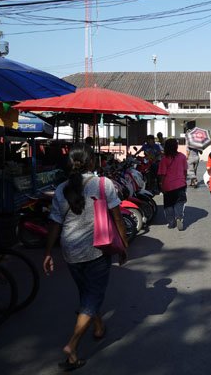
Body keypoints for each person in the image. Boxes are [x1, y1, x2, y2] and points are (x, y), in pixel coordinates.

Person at [43, 143, 128, 371]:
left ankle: (98, 327)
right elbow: (118, 218)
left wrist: (48, 252)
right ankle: (72, 346)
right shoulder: (103, 184)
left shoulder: (61, 189)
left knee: (86, 292)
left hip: (70, 251)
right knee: (92, 297)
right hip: (97, 249)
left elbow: (54, 222)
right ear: (91, 161)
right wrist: (123, 245)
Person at [158, 138, 188, 231]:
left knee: (168, 205)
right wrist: (184, 180)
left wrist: (161, 184)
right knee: (179, 202)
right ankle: (179, 217)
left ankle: (171, 223)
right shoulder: (182, 156)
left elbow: (162, 174)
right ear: (176, 146)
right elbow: (185, 171)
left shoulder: (164, 159)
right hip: (180, 184)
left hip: (168, 185)